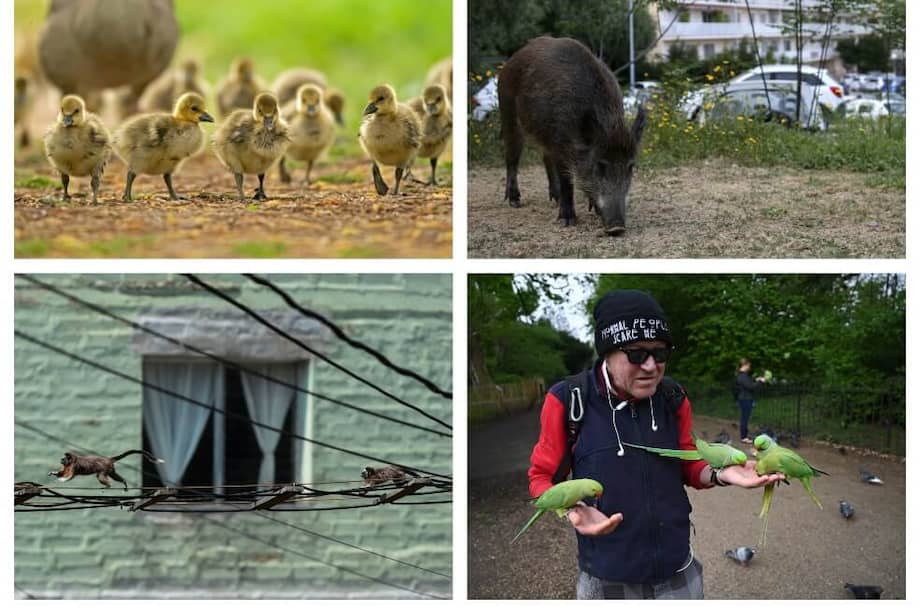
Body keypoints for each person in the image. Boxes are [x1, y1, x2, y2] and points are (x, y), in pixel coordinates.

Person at [527, 290, 783, 599]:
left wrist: (721, 473)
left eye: (660, 353)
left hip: (678, 571)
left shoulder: (673, 396)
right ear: (607, 352)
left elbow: (689, 464)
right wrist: (572, 508)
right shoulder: (569, 400)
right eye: (636, 354)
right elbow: (542, 478)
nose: (651, 366)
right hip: (608, 577)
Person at [734, 358, 765, 444]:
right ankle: (744, 437)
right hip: (745, 399)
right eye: (749, 365)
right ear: (745, 365)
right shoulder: (742, 376)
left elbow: (748, 384)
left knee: (745, 417)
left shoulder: (742, 375)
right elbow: (751, 387)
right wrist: (760, 382)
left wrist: (756, 380)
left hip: (744, 398)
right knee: (745, 418)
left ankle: (744, 436)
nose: (749, 367)